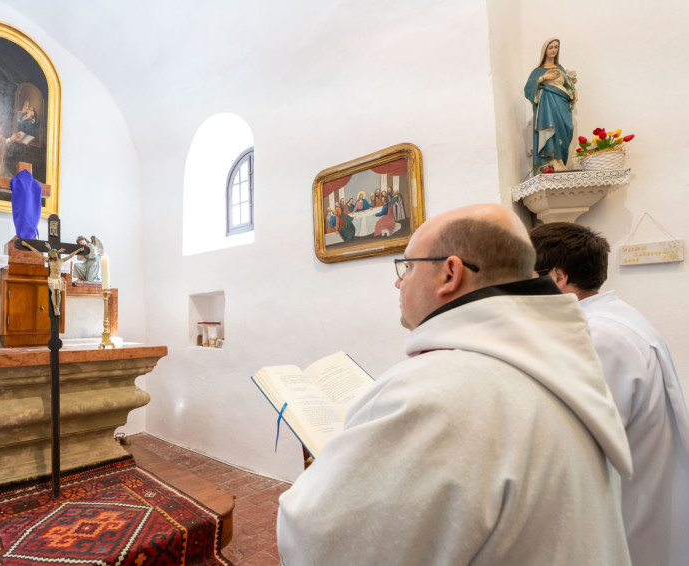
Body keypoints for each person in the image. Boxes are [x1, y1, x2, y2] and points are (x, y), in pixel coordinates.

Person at [277, 204, 632, 565]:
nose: (399, 282)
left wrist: (329, 471)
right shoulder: (553, 359)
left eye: (407, 267)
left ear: (450, 274)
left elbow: (323, 541)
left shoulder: (437, 392)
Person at [530, 222, 689, 566]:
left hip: (627, 518)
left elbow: (581, 451)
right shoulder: (615, 319)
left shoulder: (595, 336)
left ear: (557, 277)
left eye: (527, 276)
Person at [524, 38, 577, 174]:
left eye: (556, 47)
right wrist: (543, 79)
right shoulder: (538, 71)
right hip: (546, 106)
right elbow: (528, 89)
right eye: (551, 47)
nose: (554, 50)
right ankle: (550, 163)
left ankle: (560, 162)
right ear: (545, 50)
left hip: (562, 104)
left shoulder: (560, 69)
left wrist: (573, 91)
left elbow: (568, 86)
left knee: (567, 128)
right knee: (550, 129)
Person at [21, 241, 84, 316]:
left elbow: (70, 255)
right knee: (54, 292)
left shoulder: (60, 260)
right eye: (52, 255)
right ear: (50, 256)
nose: (53, 255)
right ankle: (55, 308)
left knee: (58, 293)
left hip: (58, 279)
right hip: (52, 278)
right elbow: (37, 253)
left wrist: (78, 250)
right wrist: (27, 245)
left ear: (57, 253)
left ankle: (57, 307)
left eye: (54, 254)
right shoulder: (49, 261)